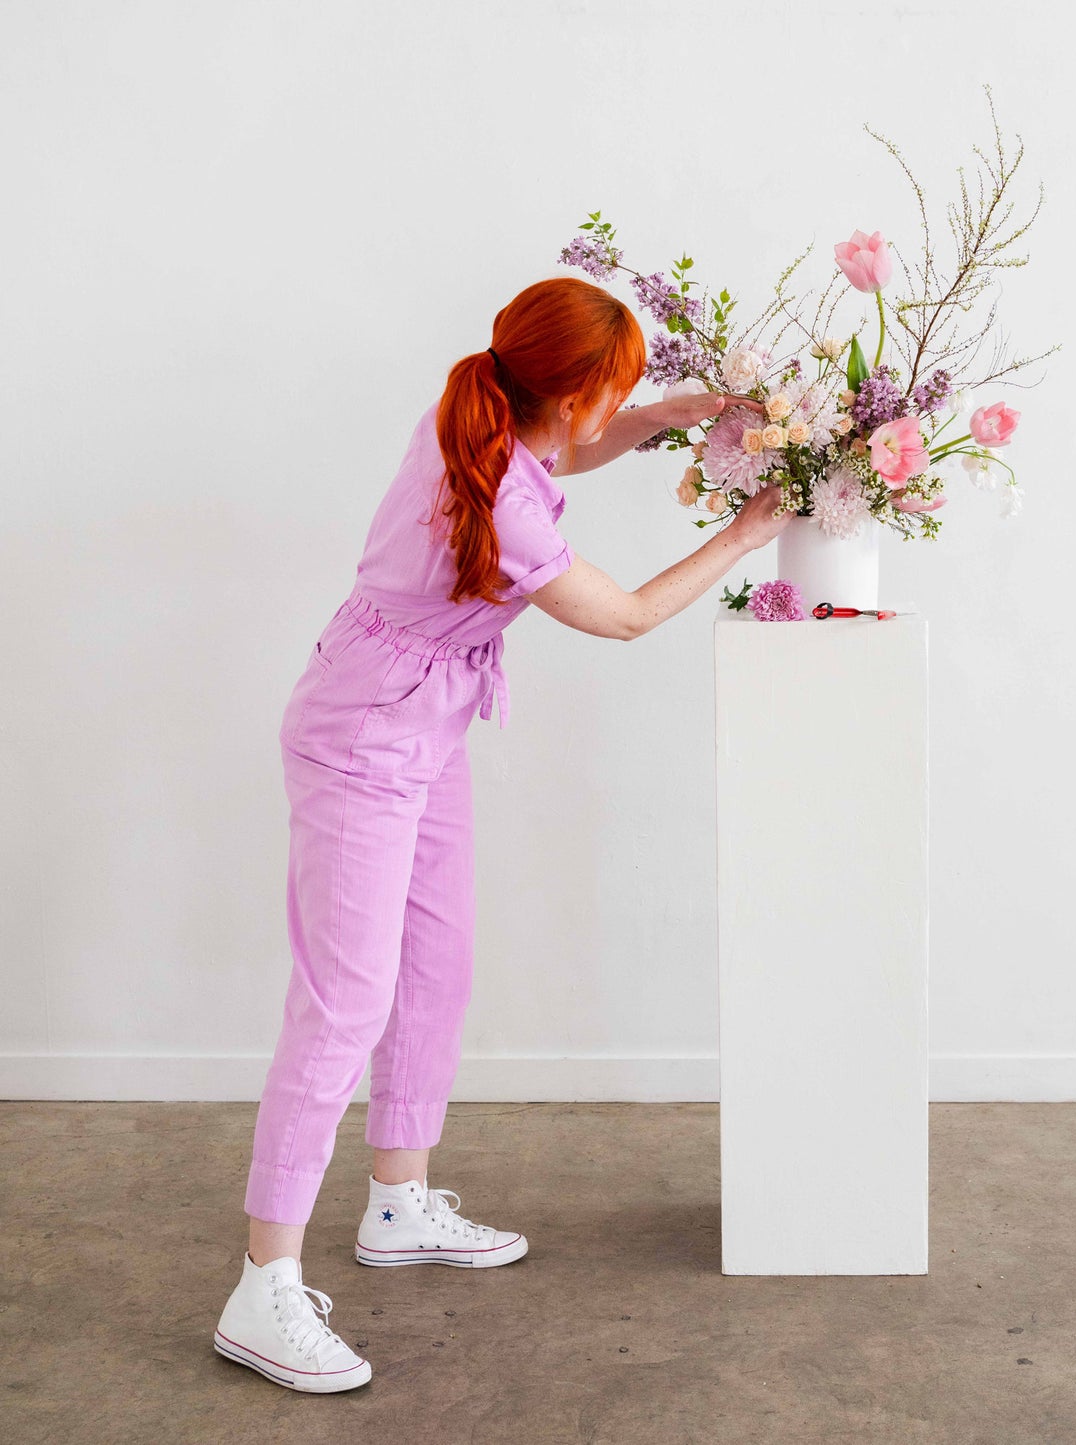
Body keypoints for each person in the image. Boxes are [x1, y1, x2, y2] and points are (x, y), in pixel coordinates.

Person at [211, 275, 791, 1392]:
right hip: (359, 739)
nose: (615, 406)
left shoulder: (485, 414)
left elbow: (574, 443)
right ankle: (261, 1285)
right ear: (567, 397)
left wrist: (670, 411)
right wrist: (745, 532)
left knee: (437, 965)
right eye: (612, 390)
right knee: (343, 1005)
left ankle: (395, 1200)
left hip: (421, 724)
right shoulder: (500, 496)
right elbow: (621, 615)